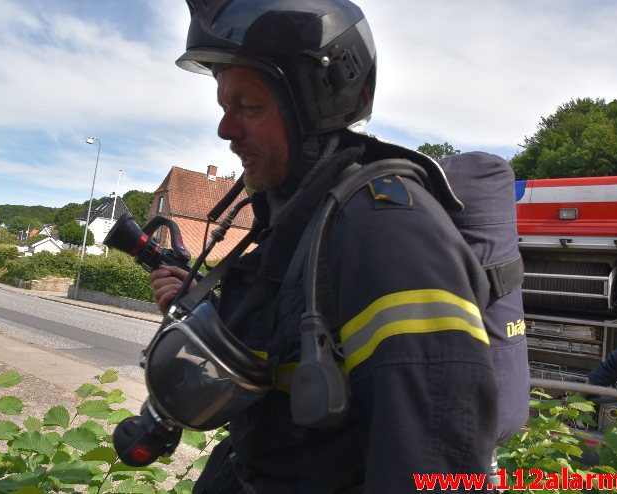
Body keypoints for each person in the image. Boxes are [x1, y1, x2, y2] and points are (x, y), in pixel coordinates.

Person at [151, 1, 497, 492]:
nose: (225, 130)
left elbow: (434, 462)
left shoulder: (389, 231)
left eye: (248, 107)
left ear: (313, 104)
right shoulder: (299, 222)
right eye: (224, 108)